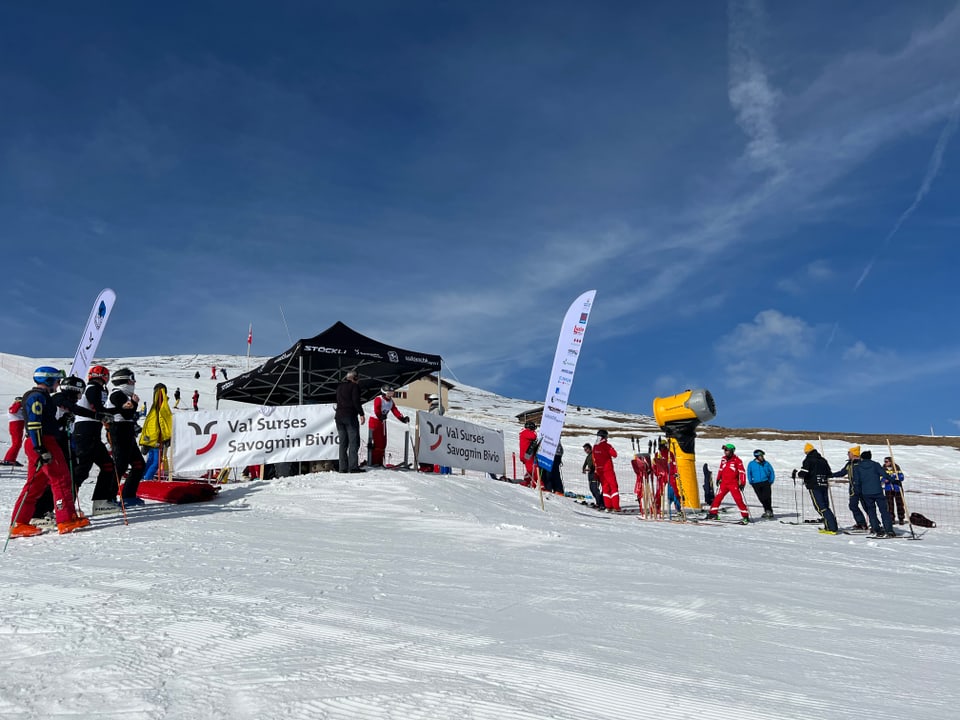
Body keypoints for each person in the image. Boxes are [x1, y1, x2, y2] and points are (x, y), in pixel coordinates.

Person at [8, 367, 90, 537]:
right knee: (61, 479)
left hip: (40, 441)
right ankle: (65, 520)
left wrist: (61, 421)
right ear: (48, 381)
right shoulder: (37, 397)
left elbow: (45, 422)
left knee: (36, 484)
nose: (58, 384)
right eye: (56, 380)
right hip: (43, 441)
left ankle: (19, 522)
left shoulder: (41, 397)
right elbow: (34, 423)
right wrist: (41, 448)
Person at [72, 365, 120, 516]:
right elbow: (96, 407)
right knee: (81, 470)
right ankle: (67, 506)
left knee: (108, 466)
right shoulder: (93, 388)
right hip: (85, 431)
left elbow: (99, 408)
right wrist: (108, 414)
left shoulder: (98, 388)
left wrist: (116, 411)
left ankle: (100, 503)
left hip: (92, 431)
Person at [106, 368, 146, 507]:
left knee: (139, 464)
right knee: (120, 465)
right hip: (119, 429)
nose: (134, 382)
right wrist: (134, 404)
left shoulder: (124, 395)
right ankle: (109, 497)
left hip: (126, 430)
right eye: (132, 379)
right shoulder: (118, 394)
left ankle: (128, 494)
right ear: (126, 380)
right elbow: (126, 414)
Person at [796, 442, 839, 533]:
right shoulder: (823, 460)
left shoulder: (808, 460)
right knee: (825, 506)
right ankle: (830, 526)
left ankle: (832, 528)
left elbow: (804, 473)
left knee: (820, 507)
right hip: (824, 485)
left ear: (807, 452)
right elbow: (829, 473)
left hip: (814, 485)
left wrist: (797, 474)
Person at [852, 450, 894, 537]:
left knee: (871, 511)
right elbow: (884, 474)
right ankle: (889, 530)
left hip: (866, 493)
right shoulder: (875, 465)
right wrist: (893, 480)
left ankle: (876, 529)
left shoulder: (857, 467)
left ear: (862, 458)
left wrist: (857, 491)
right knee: (884, 511)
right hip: (878, 491)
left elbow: (856, 481)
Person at [705, 443, 749, 523]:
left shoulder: (737, 460)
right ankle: (713, 514)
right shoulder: (723, 459)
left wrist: (742, 483)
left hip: (733, 483)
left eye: (726, 450)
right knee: (717, 498)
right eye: (724, 450)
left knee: (738, 500)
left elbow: (742, 472)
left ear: (731, 451)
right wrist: (718, 478)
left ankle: (745, 516)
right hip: (724, 483)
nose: (725, 452)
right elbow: (721, 469)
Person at [367, 386, 409, 467]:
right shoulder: (379, 399)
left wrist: (402, 419)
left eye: (392, 393)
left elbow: (395, 411)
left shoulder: (390, 402)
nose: (390, 395)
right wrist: (380, 416)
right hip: (375, 421)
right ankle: (373, 461)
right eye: (389, 393)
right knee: (376, 442)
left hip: (382, 422)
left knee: (383, 443)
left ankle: (379, 461)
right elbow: (377, 409)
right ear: (384, 393)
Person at [140, 383, 173, 481]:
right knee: (156, 462)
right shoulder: (160, 407)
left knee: (151, 460)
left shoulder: (156, 407)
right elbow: (164, 422)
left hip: (152, 439)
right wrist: (167, 437)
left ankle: (142, 478)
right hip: (157, 439)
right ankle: (146, 479)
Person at [335, 369, 365, 473]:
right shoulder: (354, 386)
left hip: (338, 417)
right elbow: (356, 401)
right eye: (358, 378)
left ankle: (342, 468)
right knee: (353, 442)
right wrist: (361, 414)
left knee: (343, 443)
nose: (359, 381)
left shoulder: (339, 387)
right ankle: (353, 467)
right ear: (355, 378)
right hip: (350, 416)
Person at [833, 445, 868, 530]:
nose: (848, 454)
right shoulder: (849, 464)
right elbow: (842, 473)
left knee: (867, 507)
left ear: (854, 454)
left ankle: (876, 524)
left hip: (864, 489)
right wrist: (830, 474)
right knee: (853, 506)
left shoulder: (862, 463)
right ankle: (861, 523)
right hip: (853, 490)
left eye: (849, 453)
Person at [592, 429, 620, 511]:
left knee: (605, 488)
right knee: (613, 487)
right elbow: (615, 454)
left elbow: (594, 459)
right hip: (608, 469)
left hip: (600, 470)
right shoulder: (606, 446)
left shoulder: (595, 447)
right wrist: (611, 448)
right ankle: (616, 506)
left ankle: (608, 506)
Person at [747, 449, 776, 519]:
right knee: (761, 498)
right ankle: (767, 510)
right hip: (756, 483)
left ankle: (769, 511)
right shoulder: (751, 464)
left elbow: (772, 472)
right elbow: (749, 472)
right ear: (756, 457)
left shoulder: (766, 463)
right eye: (760, 456)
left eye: (762, 456)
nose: (762, 457)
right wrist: (751, 481)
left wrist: (771, 481)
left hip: (765, 482)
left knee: (767, 497)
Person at [882, 456, 906, 525]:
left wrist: (896, 478)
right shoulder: (883, 468)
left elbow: (901, 477)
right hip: (888, 488)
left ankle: (901, 518)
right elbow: (881, 477)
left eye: (887, 461)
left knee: (900, 504)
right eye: (885, 461)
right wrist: (884, 480)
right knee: (890, 504)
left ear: (890, 462)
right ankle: (891, 518)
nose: (885, 463)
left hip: (897, 488)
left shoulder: (896, 468)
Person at [2, 396, 24, 466]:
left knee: (17, 443)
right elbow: (13, 411)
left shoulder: (18, 407)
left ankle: (10, 458)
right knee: (16, 443)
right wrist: (18, 403)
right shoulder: (15, 406)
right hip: (16, 425)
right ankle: (9, 459)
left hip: (18, 425)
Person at [582, 443, 603, 508]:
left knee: (595, 489)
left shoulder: (594, 455)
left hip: (595, 474)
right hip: (590, 475)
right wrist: (583, 469)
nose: (586, 451)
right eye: (585, 450)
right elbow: (585, 463)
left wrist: (590, 468)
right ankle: (599, 502)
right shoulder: (588, 456)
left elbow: (594, 464)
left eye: (587, 449)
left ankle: (599, 503)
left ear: (590, 448)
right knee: (592, 489)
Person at [518, 421, 538, 486]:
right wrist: (534, 432)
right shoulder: (525, 432)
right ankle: (533, 483)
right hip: (527, 454)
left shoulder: (524, 432)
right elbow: (534, 436)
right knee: (532, 470)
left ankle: (528, 481)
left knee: (531, 469)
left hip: (527, 454)